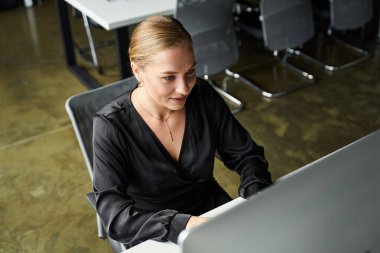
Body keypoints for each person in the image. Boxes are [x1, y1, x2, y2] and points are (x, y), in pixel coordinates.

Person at [92, 15, 272, 249]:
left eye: (190, 72)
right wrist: (182, 224)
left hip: (211, 211)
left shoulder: (202, 95)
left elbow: (247, 155)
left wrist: (255, 191)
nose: (184, 88)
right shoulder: (110, 125)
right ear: (137, 71)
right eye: (168, 77)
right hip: (151, 229)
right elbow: (115, 217)